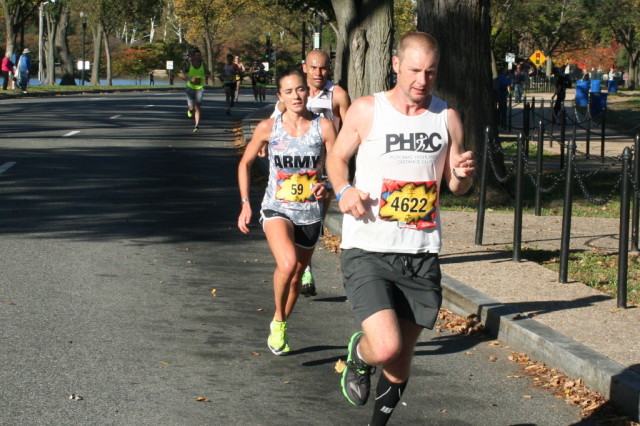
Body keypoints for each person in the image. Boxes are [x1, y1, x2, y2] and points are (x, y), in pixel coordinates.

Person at [326, 32, 475, 425]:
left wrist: (461, 175)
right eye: (413, 71)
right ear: (396, 64)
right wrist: (343, 190)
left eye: (430, 72)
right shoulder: (366, 110)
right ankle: (361, 354)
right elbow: (337, 158)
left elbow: (456, 184)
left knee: (400, 358)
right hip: (369, 248)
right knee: (386, 345)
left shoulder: (447, 117)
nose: (421, 81)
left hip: (421, 252)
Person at [237, 69, 337, 356]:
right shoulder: (269, 128)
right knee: (288, 263)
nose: (296, 96)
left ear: (308, 92)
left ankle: (280, 321)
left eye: (301, 90)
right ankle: (278, 322)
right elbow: (244, 164)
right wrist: (245, 203)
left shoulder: (324, 127)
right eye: (289, 91)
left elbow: (339, 165)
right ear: (280, 96)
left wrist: (327, 184)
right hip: (276, 207)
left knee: (297, 276)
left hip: (310, 213)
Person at [269, 49, 352, 296]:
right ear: (305, 67)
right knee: (292, 219)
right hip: (294, 172)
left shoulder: (337, 95)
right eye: (314, 67)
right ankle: (301, 268)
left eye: (324, 68)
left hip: (323, 172)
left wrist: (340, 166)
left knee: (313, 221)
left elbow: (350, 131)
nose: (318, 73)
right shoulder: (293, 92)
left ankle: (303, 263)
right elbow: (275, 124)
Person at [179, 49, 211, 133]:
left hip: (200, 88)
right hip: (190, 87)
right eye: (196, 55)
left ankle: (196, 125)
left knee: (198, 106)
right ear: (193, 56)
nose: (198, 57)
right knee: (192, 107)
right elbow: (181, 74)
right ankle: (190, 110)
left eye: (199, 55)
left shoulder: (203, 64)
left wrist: (207, 74)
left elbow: (208, 73)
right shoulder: (188, 64)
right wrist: (189, 78)